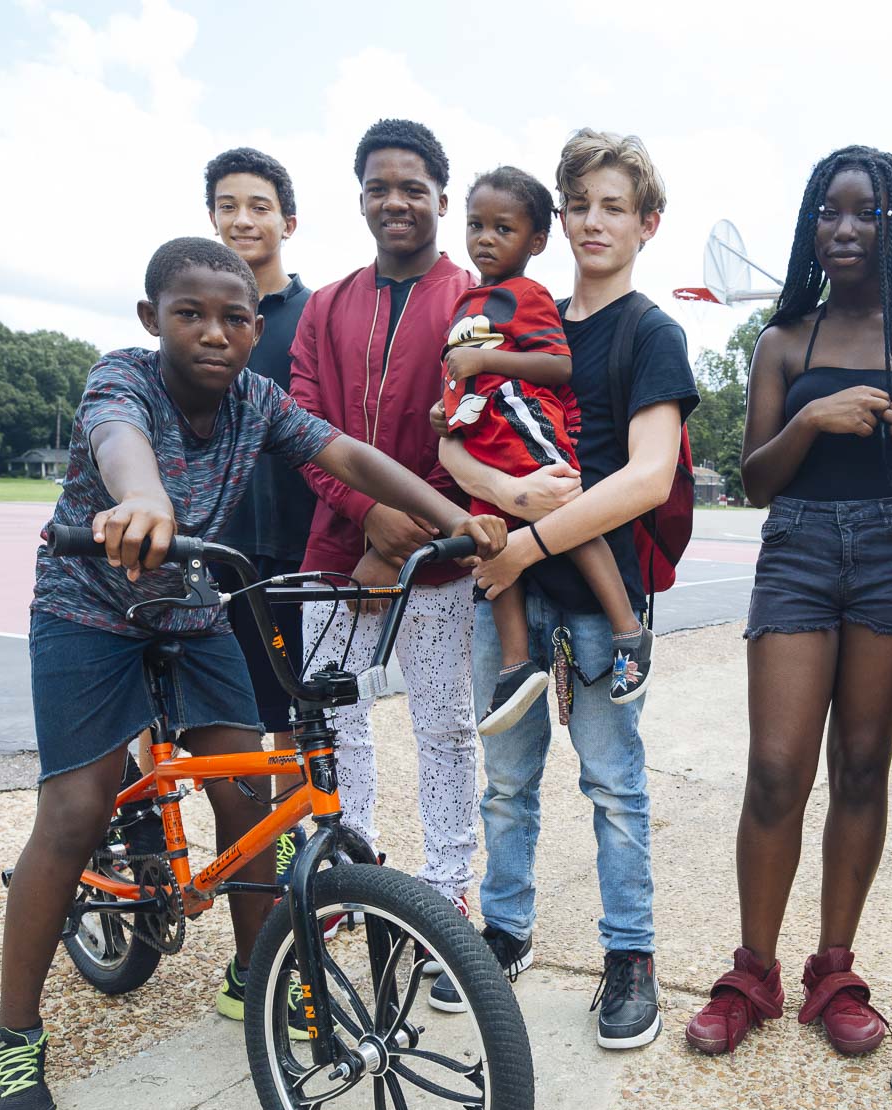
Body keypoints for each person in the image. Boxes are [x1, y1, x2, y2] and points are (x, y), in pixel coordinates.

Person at [0, 237, 503, 1110]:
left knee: (248, 782)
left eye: (232, 317)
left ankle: (258, 974)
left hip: (189, 602)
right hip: (87, 607)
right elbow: (120, 446)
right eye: (190, 314)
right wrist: (143, 504)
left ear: (257, 329)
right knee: (74, 805)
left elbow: (351, 457)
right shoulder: (121, 381)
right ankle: (11, 1033)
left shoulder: (258, 400)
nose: (213, 333)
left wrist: (454, 516)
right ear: (153, 320)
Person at [684, 146, 892, 1059]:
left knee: (860, 763)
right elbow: (759, 478)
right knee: (775, 768)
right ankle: (751, 972)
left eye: (868, 212)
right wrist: (808, 419)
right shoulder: (783, 340)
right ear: (811, 226)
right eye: (829, 212)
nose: (846, 229)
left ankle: (833, 971)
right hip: (800, 545)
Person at [436, 129, 697, 1048]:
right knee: (504, 779)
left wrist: (531, 539)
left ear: (646, 224)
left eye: (614, 206)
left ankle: (630, 955)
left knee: (612, 783)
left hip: (595, 589)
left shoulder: (650, 333)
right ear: (557, 218)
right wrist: (504, 497)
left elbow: (647, 475)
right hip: (510, 583)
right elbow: (451, 437)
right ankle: (501, 930)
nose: (594, 221)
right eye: (579, 203)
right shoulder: (516, 313)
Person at [288, 119, 481, 922]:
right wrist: (366, 516)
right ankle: (346, 869)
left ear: (442, 195)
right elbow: (297, 422)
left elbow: (480, 422)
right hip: (334, 549)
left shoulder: (473, 299)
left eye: (411, 187)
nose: (394, 201)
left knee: (444, 725)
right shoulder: (327, 305)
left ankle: (447, 885)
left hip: (435, 557)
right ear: (360, 198)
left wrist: (404, 532)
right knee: (334, 719)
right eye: (378, 187)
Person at [439, 165, 651, 736]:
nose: (485, 238)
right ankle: (515, 664)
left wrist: (484, 363)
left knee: (567, 514)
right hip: (482, 440)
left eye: (501, 228)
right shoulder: (468, 301)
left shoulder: (526, 297)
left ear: (536, 240)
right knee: (488, 544)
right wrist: (449, 409)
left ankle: (627, 628)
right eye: (475, 225)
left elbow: (557, 367)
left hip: (522, 429)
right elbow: (461, 379)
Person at [201, 146, 316, 880]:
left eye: (259, 205)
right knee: (235, 729)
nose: (243, 219)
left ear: (289, 221)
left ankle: (294, 865)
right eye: (227, 206)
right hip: (218, 550)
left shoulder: (315, 312)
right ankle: (253, 869)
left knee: (300, 725)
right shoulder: (200, 316)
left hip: (305, 547)